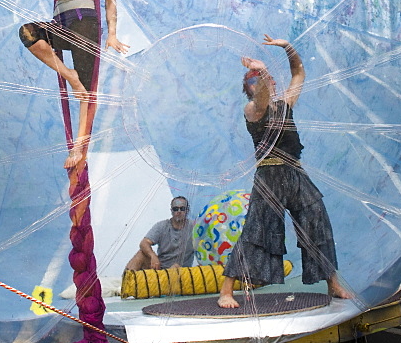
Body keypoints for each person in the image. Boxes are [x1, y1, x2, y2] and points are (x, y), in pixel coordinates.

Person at [218, 35, 350, 308]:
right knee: (257, 230)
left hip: (295, 174)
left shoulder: (285, 105)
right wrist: (262, 70)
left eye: (262, 78)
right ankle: (226, 290)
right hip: (269, 178)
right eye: (252, 80)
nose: (261, 82)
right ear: (248, 88)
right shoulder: (253, 109)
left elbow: (299, 72)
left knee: (317, 222)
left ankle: (333, 282)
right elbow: (263, 97)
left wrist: (287, 47)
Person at [19, 0, 128, 167]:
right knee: (28, 32)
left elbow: (111, 3)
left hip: (85, 24)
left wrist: (112, 34)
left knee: (88, 94)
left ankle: (79, 149)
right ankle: (71, 77)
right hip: (61, 23)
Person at [124, 197, 194, 271]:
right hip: (160, 269)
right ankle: (127, 279)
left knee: (176, 267)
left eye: (182, 208)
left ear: (187, 210)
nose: (179, 211)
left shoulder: (194, 227)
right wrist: (153, 256)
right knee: (141, 254)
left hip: (183, 272)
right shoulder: (162, 226)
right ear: (171, 211)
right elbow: (144, 243)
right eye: (175, 209)